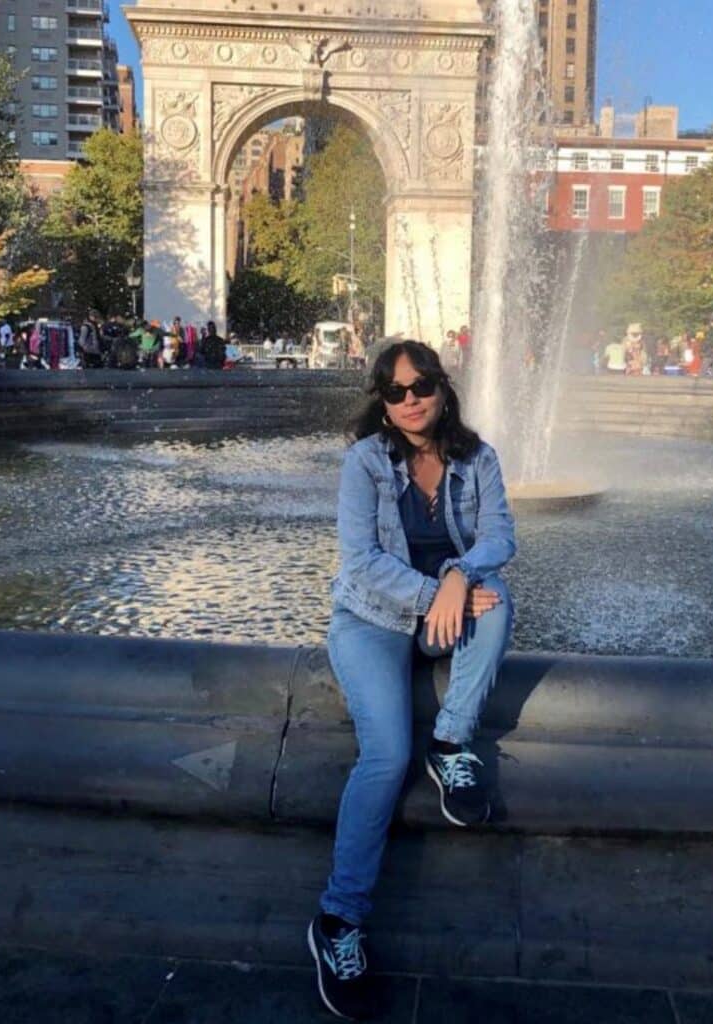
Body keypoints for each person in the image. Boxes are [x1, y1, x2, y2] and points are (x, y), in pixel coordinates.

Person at [309, 340, 515, 1021]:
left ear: (441, 387)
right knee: (385, 755)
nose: (410, 401)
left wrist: (459, 574)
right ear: (382, 399)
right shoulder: (366, 460)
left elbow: (500, 536)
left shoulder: (476, 456)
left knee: (497, 599)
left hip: (438, 609)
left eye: (421, 386)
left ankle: (452, 743)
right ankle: (339, 920)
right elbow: (361, 562)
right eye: (395, 392)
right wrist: (436, 593)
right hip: (370, 620)